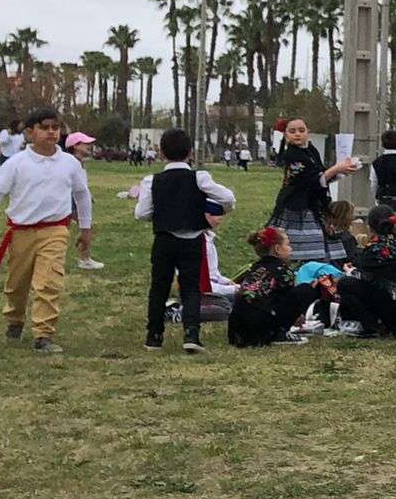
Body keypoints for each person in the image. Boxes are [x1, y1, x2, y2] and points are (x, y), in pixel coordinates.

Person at [0, 106, 94, 353]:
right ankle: (15, 318)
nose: (51, 133)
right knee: (17, 284)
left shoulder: (70, 163)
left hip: (55, 230)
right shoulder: (16, 164)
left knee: (49, 282)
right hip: (21, 232)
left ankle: (43, 334)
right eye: (44, 128)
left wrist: (85, 228)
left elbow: (82, 196)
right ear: (30, 132)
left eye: (55, 128)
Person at [136, 127, 237, 353]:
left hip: (164, 239)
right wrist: (221, 209)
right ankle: (192, 334)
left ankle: (154, 335)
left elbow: (141, 213)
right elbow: (228, 197)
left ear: (161, 152)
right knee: (190, 288)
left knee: (159, 287)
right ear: (190, 152)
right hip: (192, 239)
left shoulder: (152, 180)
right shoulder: (199, 177)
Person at [268, 119, 359, 263]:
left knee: (317, 246)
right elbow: (310, 180)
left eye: (301, 130)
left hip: (313, 204)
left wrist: (341, 172)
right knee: (298, 248)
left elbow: (321, 176)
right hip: (297, 207)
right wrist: (336, 169)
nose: (297, 134)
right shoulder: (291, 155)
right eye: (292, 131)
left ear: (308, 132)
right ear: (286, 136)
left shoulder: (311, 150)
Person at [227, 226, 326, 347]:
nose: (291, 248)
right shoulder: (282, 270)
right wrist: (297, 314)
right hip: (261, 328)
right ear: (277, 249)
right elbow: (290, 300)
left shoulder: (254, 269)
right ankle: (279, 333)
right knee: (305, 290)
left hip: (238, 331)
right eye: (288, 244)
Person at [335, 205, 396, 336]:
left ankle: (370, 325)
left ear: (370, 226)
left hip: (393, 312)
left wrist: (349, 271)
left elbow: (361, 275)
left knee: (346, 284)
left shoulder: (374, 248)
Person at [371, 129, 396, 215]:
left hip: (383, 199)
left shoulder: (376, 162)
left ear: (382, 144)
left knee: (383, 225)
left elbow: (373, 182)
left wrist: (375, 198)